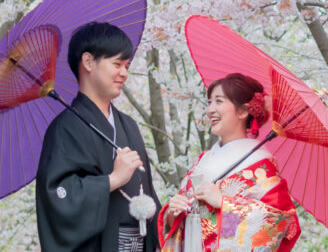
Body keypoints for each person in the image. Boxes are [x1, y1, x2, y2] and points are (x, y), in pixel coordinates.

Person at [36, 21, 161, 252]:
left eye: (127, 65)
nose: (124, 73)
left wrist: (166, 219)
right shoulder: (64, 129)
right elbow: (57, 198)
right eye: (117, 64)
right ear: (88, 62)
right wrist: (112, 180)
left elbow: (147, 192)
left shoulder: (129, 126)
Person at [157, 72, 300, 251]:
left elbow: (282, 223)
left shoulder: (261, 165)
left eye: (219, 101)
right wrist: (173, 214)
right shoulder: (203, 159)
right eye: (209, 102)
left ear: (242, 111)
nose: (209, 110)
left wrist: (224, 203)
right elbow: (185, 220)